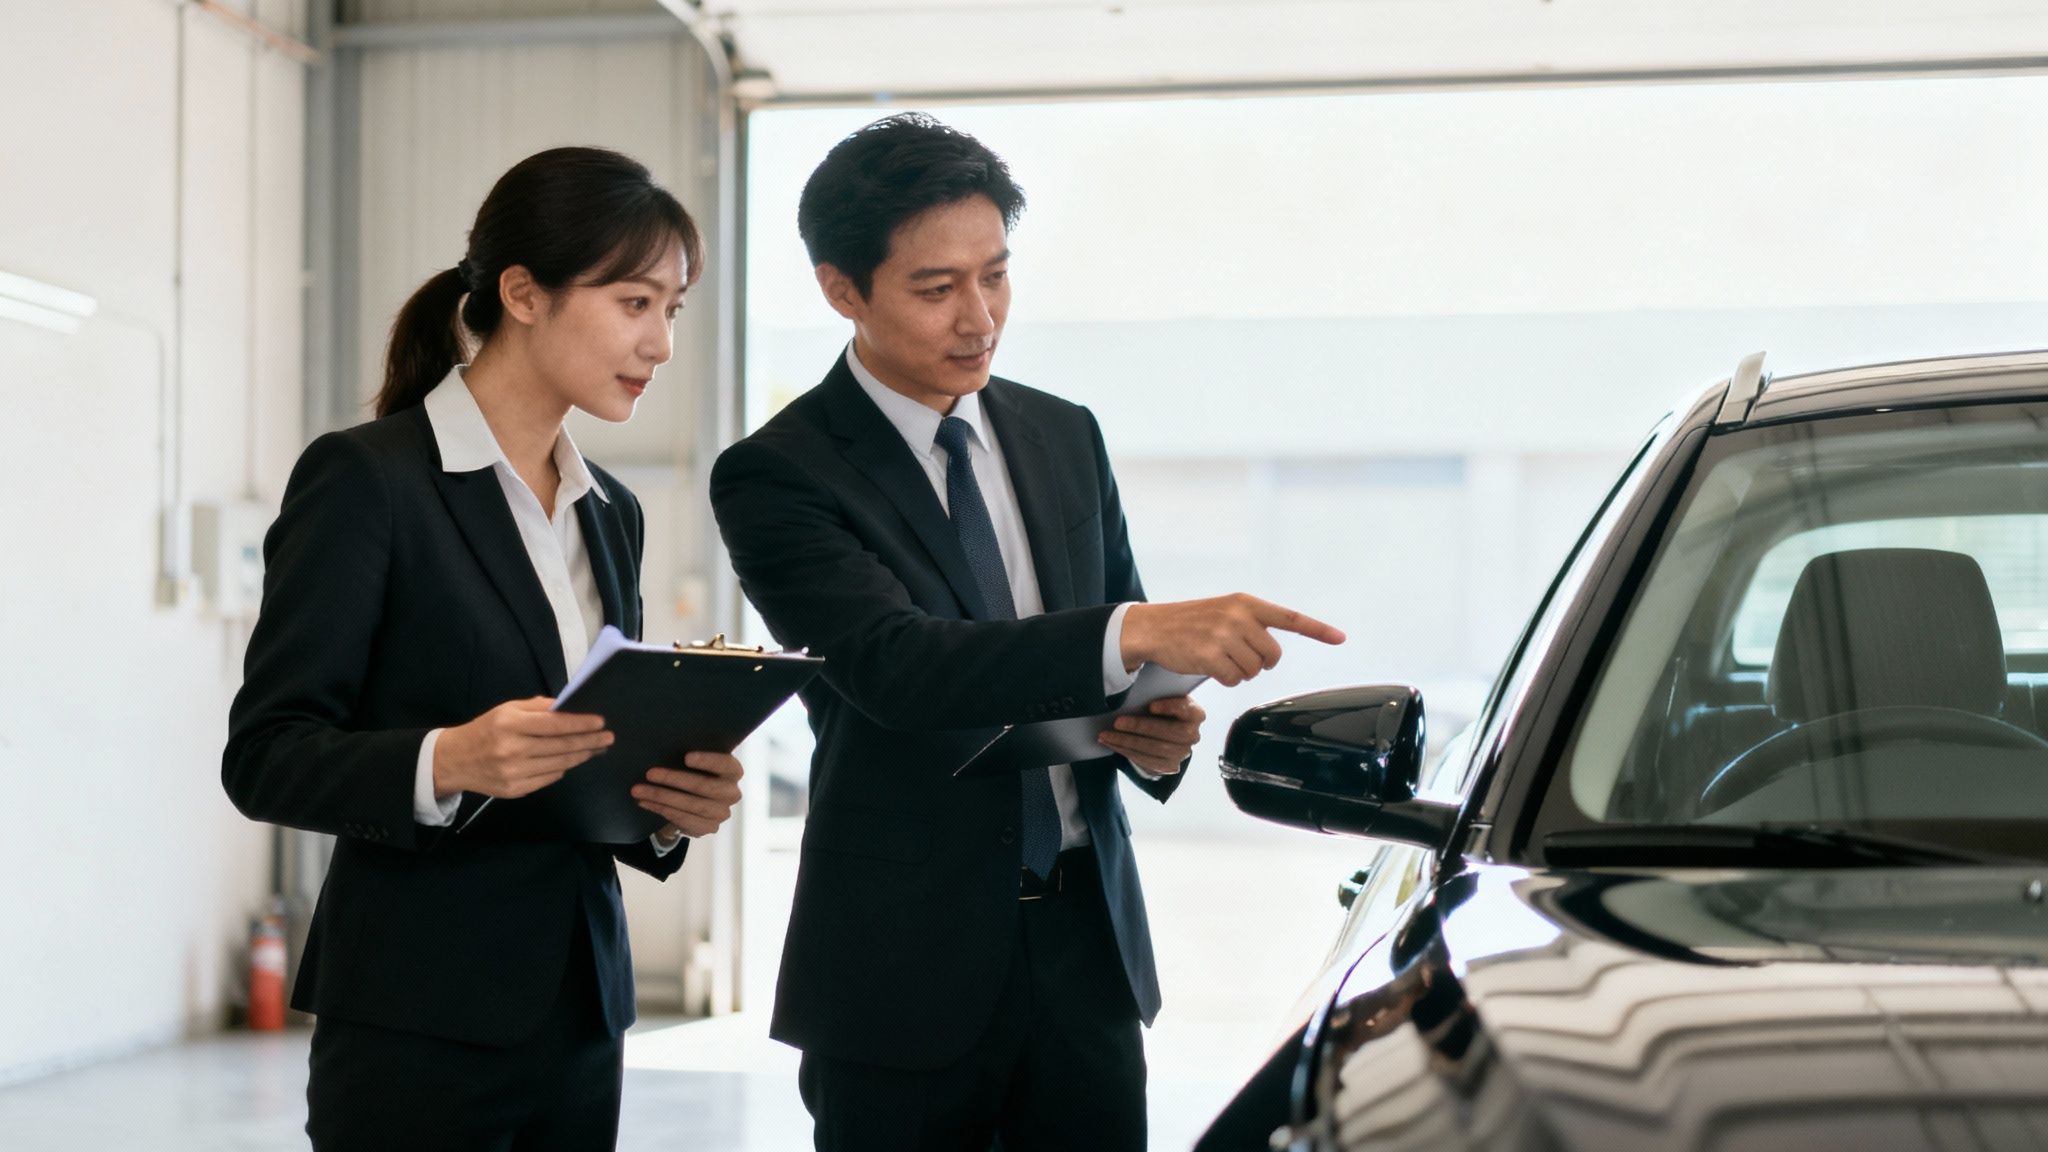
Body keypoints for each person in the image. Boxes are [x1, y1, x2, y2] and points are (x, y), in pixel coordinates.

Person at [709, 113, 1346, 1152]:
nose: (979, 316)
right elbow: (895, 667)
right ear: (839, 290)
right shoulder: (779, 473)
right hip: (902, 970)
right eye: (935, 288)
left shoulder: (1061, 432)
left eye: (995, 275)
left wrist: (1157, 731)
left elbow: (1122, 657)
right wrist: (1135, 632)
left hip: (1083, 952)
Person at [222, 146, 744, 1151]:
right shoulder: (366, 483)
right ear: (523, 293)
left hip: (582, 1010)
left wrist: (669, 806)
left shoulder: (611, 511)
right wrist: (448, 760)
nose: (662, 344)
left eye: (672, 310)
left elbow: (583, 752)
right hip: (415, 1016)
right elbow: (266, 756)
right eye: (635, 303)